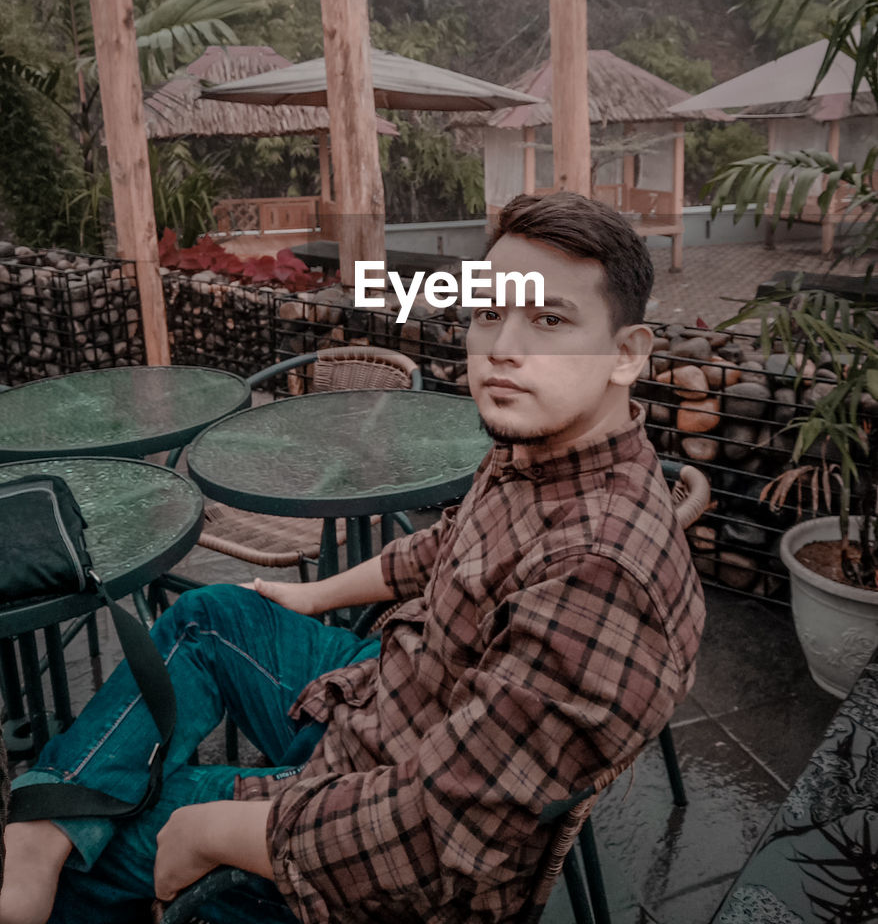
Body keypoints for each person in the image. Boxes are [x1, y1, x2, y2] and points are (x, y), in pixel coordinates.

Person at [1, 191, 705, 924]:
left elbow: (437, 837)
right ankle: (50, 821)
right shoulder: (542, 449)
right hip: (378, 697)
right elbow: (444, 547)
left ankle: (72, 832)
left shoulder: (598, 573)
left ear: (627, 354)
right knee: (212, 617)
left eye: (550, 320)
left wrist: (215, 831)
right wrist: (314, 594)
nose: (502, 347)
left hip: (380, 820)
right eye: (490, 312)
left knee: (112, 850)